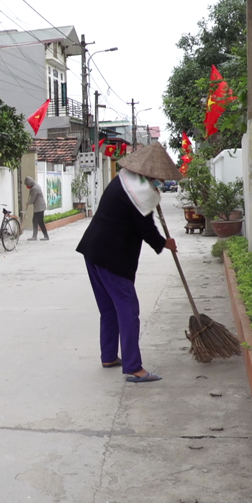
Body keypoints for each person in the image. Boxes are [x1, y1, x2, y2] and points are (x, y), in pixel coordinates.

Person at [75, 144, 182, 383]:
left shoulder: (123, 179)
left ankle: (109, 356)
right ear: (150, 174)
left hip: (93, 251)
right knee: (128, 309)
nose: (161, 181)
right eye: (160, 178)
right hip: (112, 258)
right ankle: (134, 367)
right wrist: (165, 243)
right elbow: (145, 229)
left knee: (109, 309)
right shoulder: (141, 193)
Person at [24, 176, 48, 241]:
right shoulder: (36, 186)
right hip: (40, 207)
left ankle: (36, 236)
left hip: (39, 208)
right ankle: (41, 236)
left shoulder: (34, 189)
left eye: (27, 185)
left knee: (37, 221)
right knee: (37, 221)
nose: (27, 186)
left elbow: (33, 199)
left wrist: (28, 203)